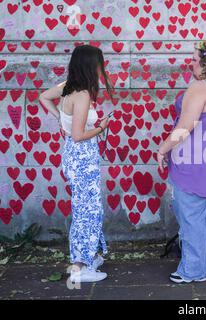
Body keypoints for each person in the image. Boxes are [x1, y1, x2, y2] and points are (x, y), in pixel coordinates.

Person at [157, 40, 206, 284]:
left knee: (191, 215)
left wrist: (163, 149)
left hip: (194, 162)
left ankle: (193, 270)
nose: (190, 63)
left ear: (205, 62)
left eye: (194, 59)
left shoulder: (199, 88)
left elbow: (184, 128)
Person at [39, 45, 113, 283]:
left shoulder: (67, 87)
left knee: (88, 209)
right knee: (86, 212)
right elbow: (80, 135)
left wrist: (61, 120)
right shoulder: (80, 94)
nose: (102, 70)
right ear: (91, 66)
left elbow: (43, 97)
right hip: (81, 158)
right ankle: (81, 267)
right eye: (100, 65)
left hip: (75, 156)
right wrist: (102, 127)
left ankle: (88, 257)